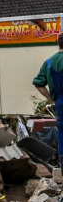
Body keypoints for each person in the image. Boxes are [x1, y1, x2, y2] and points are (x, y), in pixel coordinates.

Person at [32, 34, 63, 167]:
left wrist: (51, 100)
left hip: (60, 104)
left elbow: (38, 83)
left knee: (62, 135)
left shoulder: (49, 62)